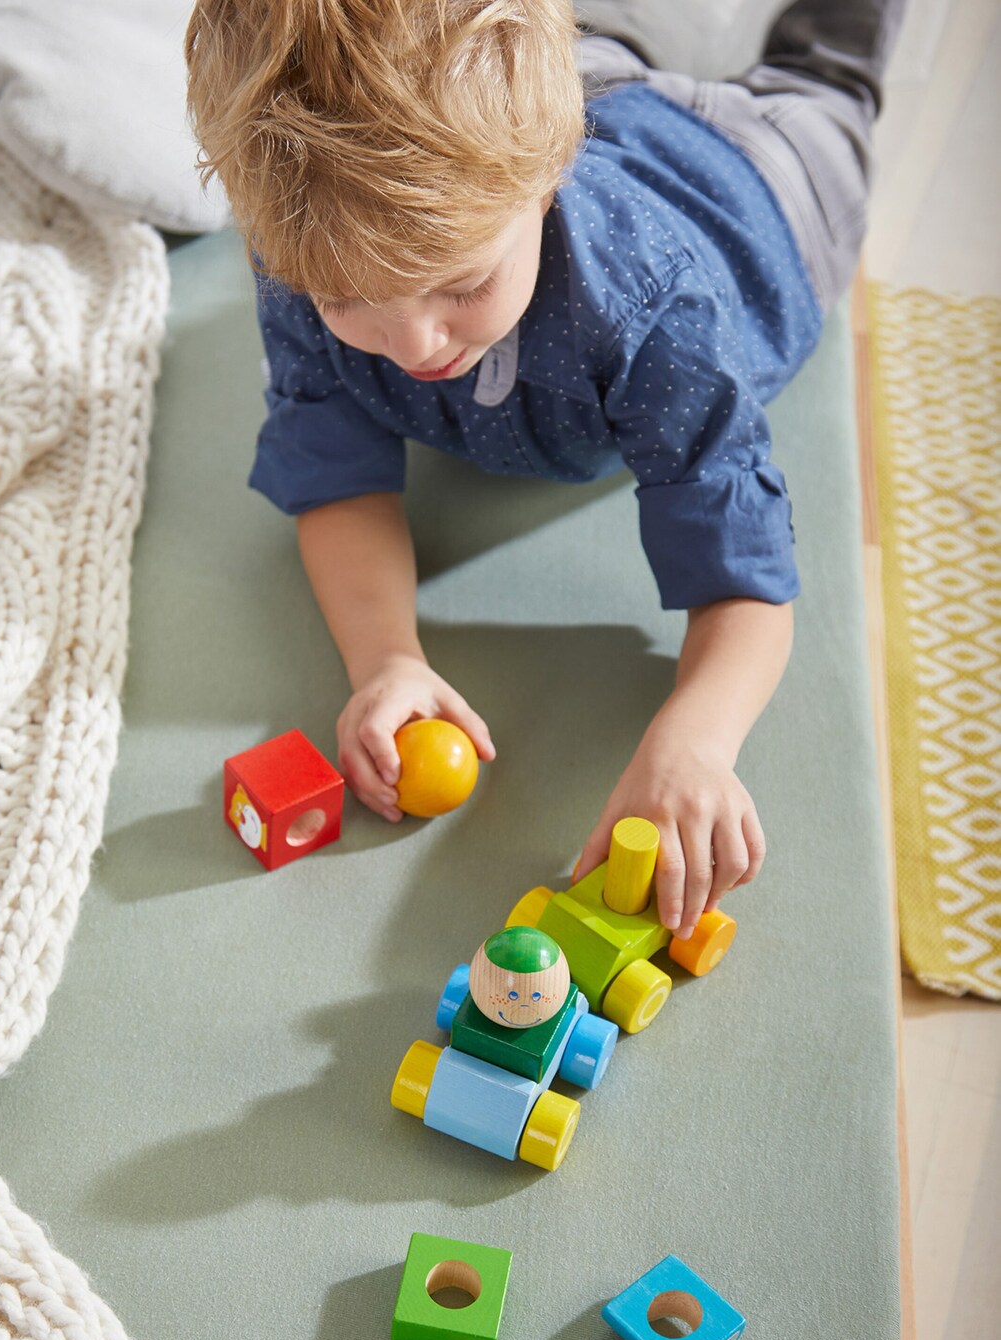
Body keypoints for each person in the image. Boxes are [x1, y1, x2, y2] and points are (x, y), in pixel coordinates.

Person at [184, 0, 904, 942]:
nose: (416, 344)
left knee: (825, 78)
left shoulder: (653, 310)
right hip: (595, 90)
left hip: (761, 189)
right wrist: (385, 658)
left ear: (548, 177)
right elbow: (335, 481)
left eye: (463, 284)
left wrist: (694, 743)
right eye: (348, 302)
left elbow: (748, 584)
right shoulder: (303, 248)